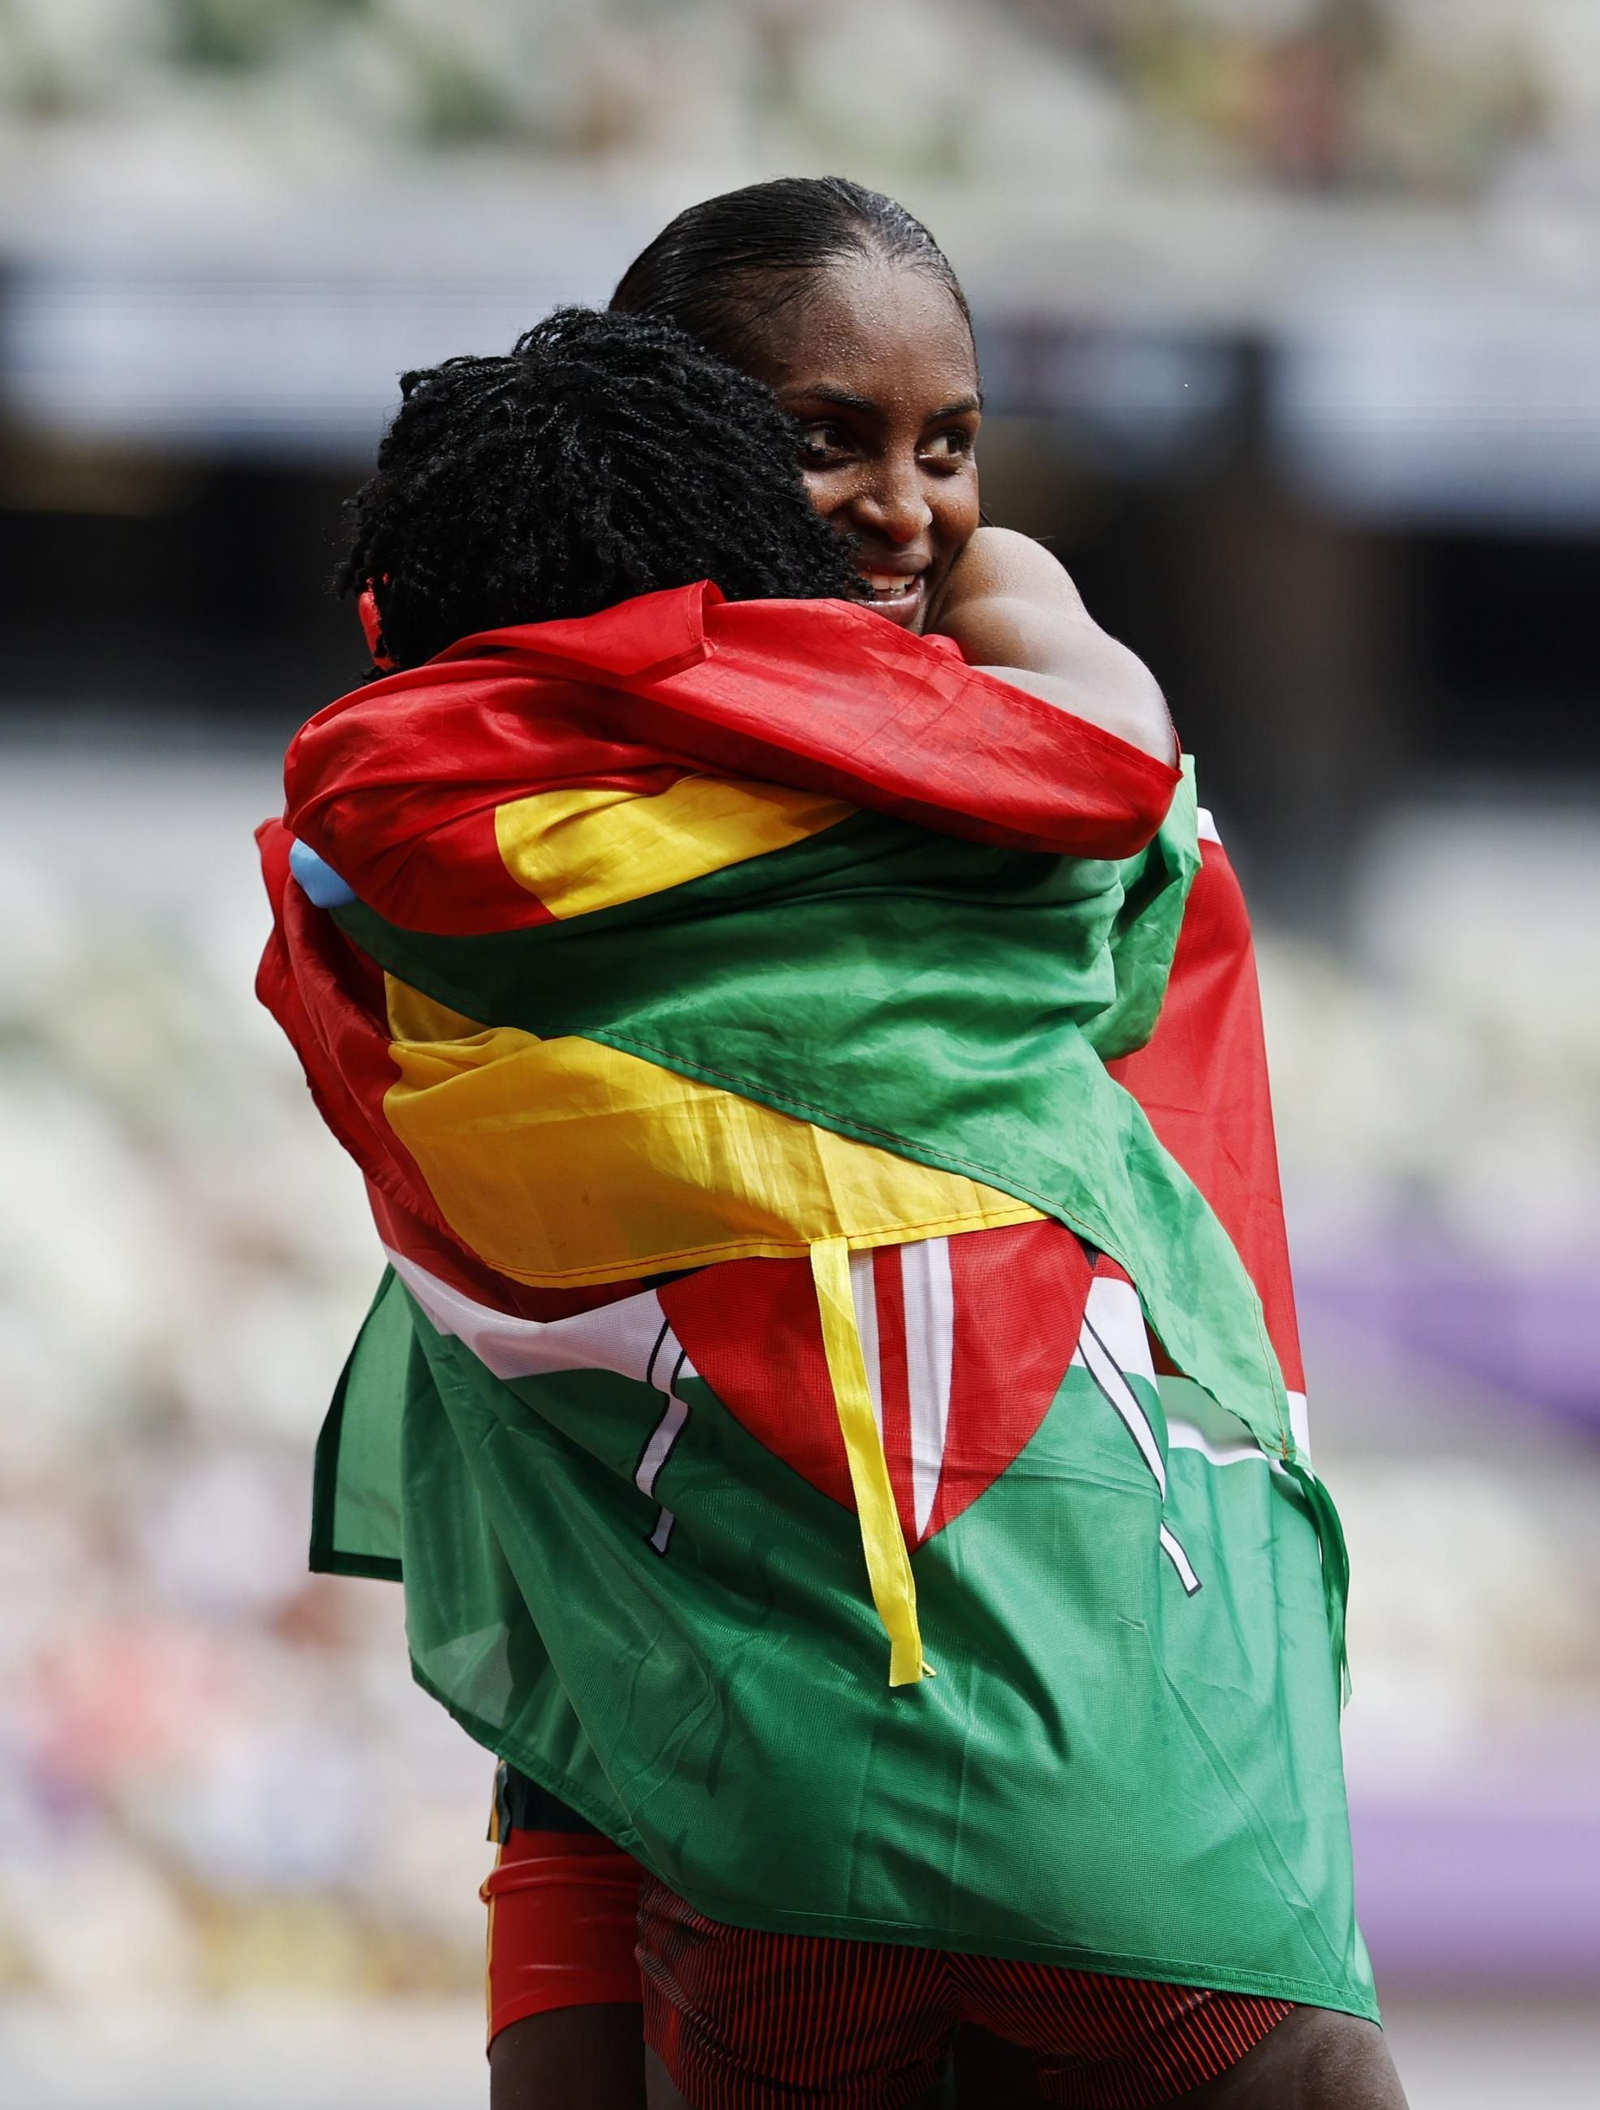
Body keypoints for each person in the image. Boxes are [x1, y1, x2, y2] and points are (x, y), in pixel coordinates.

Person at [258, 303, 1394, 2110]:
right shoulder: (1008, 823)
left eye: (952, 448)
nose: (911, 511)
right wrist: (1004, 593)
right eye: (826, 443)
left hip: (716, 1816)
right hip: (1136, 1800)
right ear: (707, 470)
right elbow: (1118, 777)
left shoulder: (381, 876)